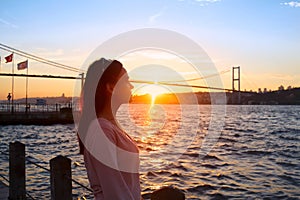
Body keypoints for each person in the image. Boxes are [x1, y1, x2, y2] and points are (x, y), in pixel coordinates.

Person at [77, 58, 142, 200]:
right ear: (110, 88)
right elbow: (116, 193)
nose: (131, 86)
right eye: (126, 81)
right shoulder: (102, 130)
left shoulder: (108, 126)